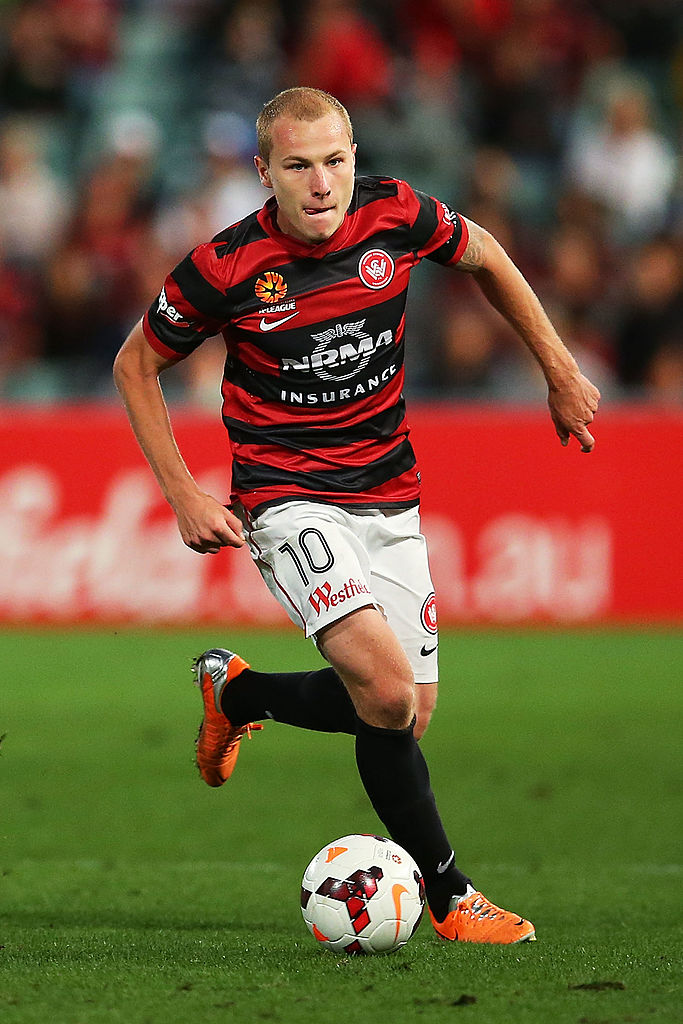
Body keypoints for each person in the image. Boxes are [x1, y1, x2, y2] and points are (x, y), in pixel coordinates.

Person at [113, 87, 600, 945]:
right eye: (297, 165)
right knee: (384, 690)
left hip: (387, 487)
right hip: (285, 492)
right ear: (264, 172)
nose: (320, 182)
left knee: (406, 710)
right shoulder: (225, 267)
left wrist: (557, 371)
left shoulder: (395, 213)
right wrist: (184, 491)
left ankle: (238, 690)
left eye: (334, 160)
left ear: (353, 158)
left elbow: (486, 255)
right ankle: (449, 897)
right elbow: (134, 364)